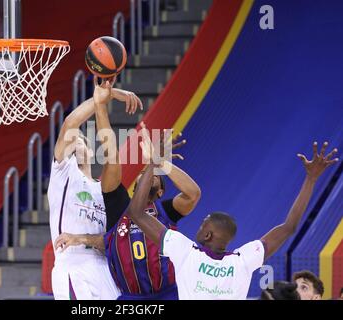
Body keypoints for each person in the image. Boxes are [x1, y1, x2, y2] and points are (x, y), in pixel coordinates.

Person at [127, 131, 339, 300]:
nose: (198, 228)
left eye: (202, 225)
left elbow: (137, 212)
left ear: (208, 235)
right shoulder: (243, 261)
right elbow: (289, 226)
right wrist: (311, 180)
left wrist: (153, 164)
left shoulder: (185, 252)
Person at [55, 78, 202, 300]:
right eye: (144, 172)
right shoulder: (118, 208)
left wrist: (161, 163)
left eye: (153, 176)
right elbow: (111, 156)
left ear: (160, 191)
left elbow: (193, 194)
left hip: (168, 294)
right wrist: (100, 107)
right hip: (129, 296)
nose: (146, 172)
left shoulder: (165, 212)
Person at [48, 77, 141, 300]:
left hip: (103, 267)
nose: (75, 141)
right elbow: (70, 124)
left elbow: (109, 240)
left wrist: (83, 238)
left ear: (91, 151)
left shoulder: (105, 190)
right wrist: (108, 96)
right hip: (72, 264)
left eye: (81, 139)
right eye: (73, 141)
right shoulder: (64, 173)